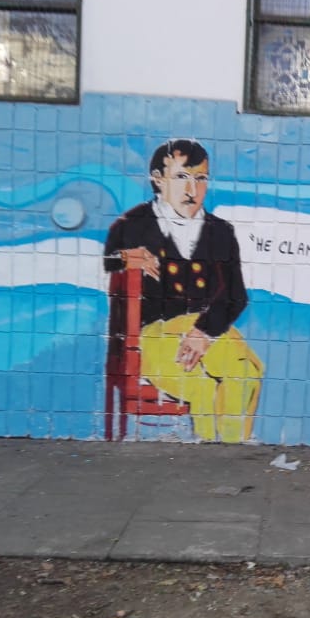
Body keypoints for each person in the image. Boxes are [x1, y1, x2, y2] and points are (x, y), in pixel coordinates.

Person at [104, 138, 263, 442]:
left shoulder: (220, 231)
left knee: (247, 373)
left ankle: (231, 453)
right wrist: (126, 257)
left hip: (206, 327)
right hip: (154, 334)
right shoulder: (132, 225)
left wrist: (204, 332)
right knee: (201, 386)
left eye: (200, 178)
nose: (192, 190)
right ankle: (209, 455)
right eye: (181, 177)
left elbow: (236, 295)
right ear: (158, 179)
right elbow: (108, 260)